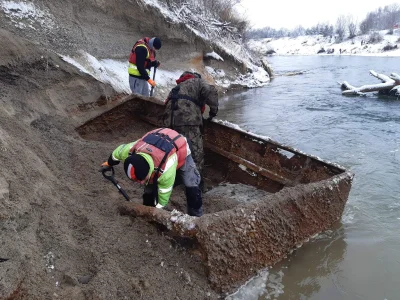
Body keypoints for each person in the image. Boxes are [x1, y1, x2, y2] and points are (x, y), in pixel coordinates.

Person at [100, 128, 203, 217]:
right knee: (149, 187)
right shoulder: (132, 150)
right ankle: (147, 205)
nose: (139, 183)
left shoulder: (166, 170)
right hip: (157, 139)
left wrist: (157, 210)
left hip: (180, 147)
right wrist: (109, 163)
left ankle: (196, 214)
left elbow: (163, 197)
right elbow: (116, 153)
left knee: (191, 184)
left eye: (141, 180)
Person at [162, 71, 218, 174]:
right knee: (195, 151)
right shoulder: (197, 81)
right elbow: (211, 91)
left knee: (173, 147)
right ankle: (195, 181)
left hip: (168, 121)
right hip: (187, 119)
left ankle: (172, 173)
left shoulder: (177, 88)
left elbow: (166, 103)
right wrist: (213, 112)